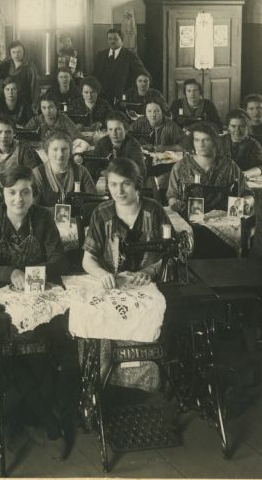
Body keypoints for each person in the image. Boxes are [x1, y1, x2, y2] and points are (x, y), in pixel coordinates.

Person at [0, 165, 76, 459]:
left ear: (34, 194)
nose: (18, 199)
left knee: (60, 341)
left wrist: (32, 276)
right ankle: (50, 422)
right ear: (2, 193)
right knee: (8, 346)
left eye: (25, 192)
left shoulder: (43, 217)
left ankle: (38, 409)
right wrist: (11, 273)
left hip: (40, 293)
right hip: (1, 296)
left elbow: (59, 260)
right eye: (12, 192)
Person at [81, 158, 173, 392]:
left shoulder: (154, 210)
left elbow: (169, 253)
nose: (119, 191)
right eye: (113, 185)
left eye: (125, 184)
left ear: (137, 184)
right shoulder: (102, 213)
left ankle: (144, 384)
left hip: (148, 286)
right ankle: (104, 382)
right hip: (112, 284)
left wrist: (150, 271)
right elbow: (87, 260)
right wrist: (102, 273)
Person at [167, 121, 244, 214]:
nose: (201, 145)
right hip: (189, 221)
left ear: (215, 141)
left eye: (206, 140)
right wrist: (175, 204)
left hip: (222, 221)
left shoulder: (229, 166)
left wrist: (246, 203)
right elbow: (172, 196)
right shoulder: (180, 167)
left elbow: (246, 193)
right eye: (197, 140)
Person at [31, 131, 96, 207]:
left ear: (70, 151)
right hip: (45, 218)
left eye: (64, 149)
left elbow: (93, 203)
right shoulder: (37, 174)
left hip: (76, 218)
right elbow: (32, 208)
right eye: (55, 149)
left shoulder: (81, 172)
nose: (60, 154)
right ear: (47, 152)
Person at [93, 29, 147, 106]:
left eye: (115, 39)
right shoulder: (101, 55)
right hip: (102, 98)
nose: (112, 41)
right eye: (110, 39)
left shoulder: (130, 56)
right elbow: (94, 76)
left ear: (122, 40)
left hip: (122, 99)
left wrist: (131, 94)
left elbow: (144, 75)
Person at [0, 114, 41, 179]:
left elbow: (32, 174)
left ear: (14, 133)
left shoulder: (24, 149)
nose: (3, 136)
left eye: (8, 132)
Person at [94, 112, 147, 180]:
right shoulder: (101, 143)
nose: (114, 133)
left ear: (126, 129)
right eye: (110, 129)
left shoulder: (133, 144)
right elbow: (92, 166)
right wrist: (101, 171)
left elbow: (141, 171)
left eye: (118, 129)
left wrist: (120, 174)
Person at [0, 41, 39, 112]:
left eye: (19, 52)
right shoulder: (6, 65)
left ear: (23, 52)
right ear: (10, 53)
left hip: (24, 105)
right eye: (13, 52)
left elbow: (35, 89)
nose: (16, 55)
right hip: (7, 103)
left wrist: (34, 107)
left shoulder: (30, 67)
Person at [221, 109, 262, 176]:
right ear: (228, 127)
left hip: (244, 179)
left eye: (241, 126)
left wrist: (244, 174)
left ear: (248, 127)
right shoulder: (219, 141)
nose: (237, 130)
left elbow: (260, 167)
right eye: (233, 126)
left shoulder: (253, 144)